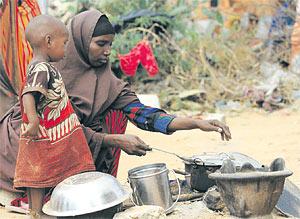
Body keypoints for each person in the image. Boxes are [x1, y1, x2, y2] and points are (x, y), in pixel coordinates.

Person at [0, 9, 231, 206]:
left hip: (70, 141)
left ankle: (91, 184)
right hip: (32, 141)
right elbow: (56, 130)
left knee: (114, 113)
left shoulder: (108, 82)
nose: (108, 51)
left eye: (110, 44)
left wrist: (197, 123)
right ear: (79, 42)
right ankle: (29, 196)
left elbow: (144, 116)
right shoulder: (50, 73)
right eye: (101, 44)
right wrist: (114, 140)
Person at [13, 14, 95, 218]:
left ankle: (35, 211)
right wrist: (32, 121)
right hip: (44, 132)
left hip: (45, 131)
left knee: (37, 173)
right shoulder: (42, 68)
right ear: (48, 41)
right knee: (38, 172)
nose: (66, 49)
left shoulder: (41, 67)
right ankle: (38, 211)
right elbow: (28, 94)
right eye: (64, 43)